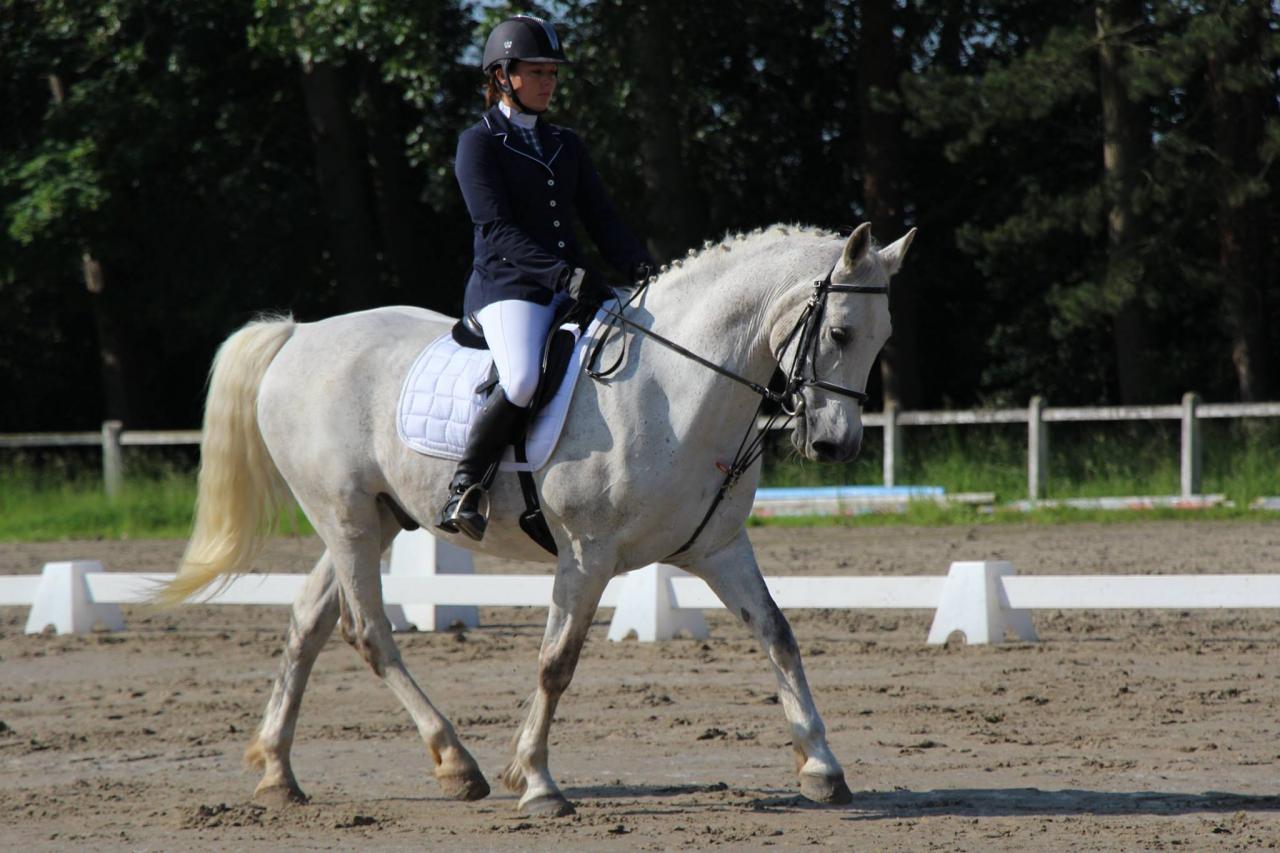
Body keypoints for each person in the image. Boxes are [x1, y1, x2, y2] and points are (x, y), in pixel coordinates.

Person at [437, 15, 654, 541]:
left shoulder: (565, 143)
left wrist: (639, 266)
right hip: (510, 289)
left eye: (553, 72)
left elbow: (601, 218)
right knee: (522, 379)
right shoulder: (478, 144)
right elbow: (497, 230)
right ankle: (466, 485)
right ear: (503, 76)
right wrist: (563, 276)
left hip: (569, 287)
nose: (549, 82)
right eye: (536, 72)